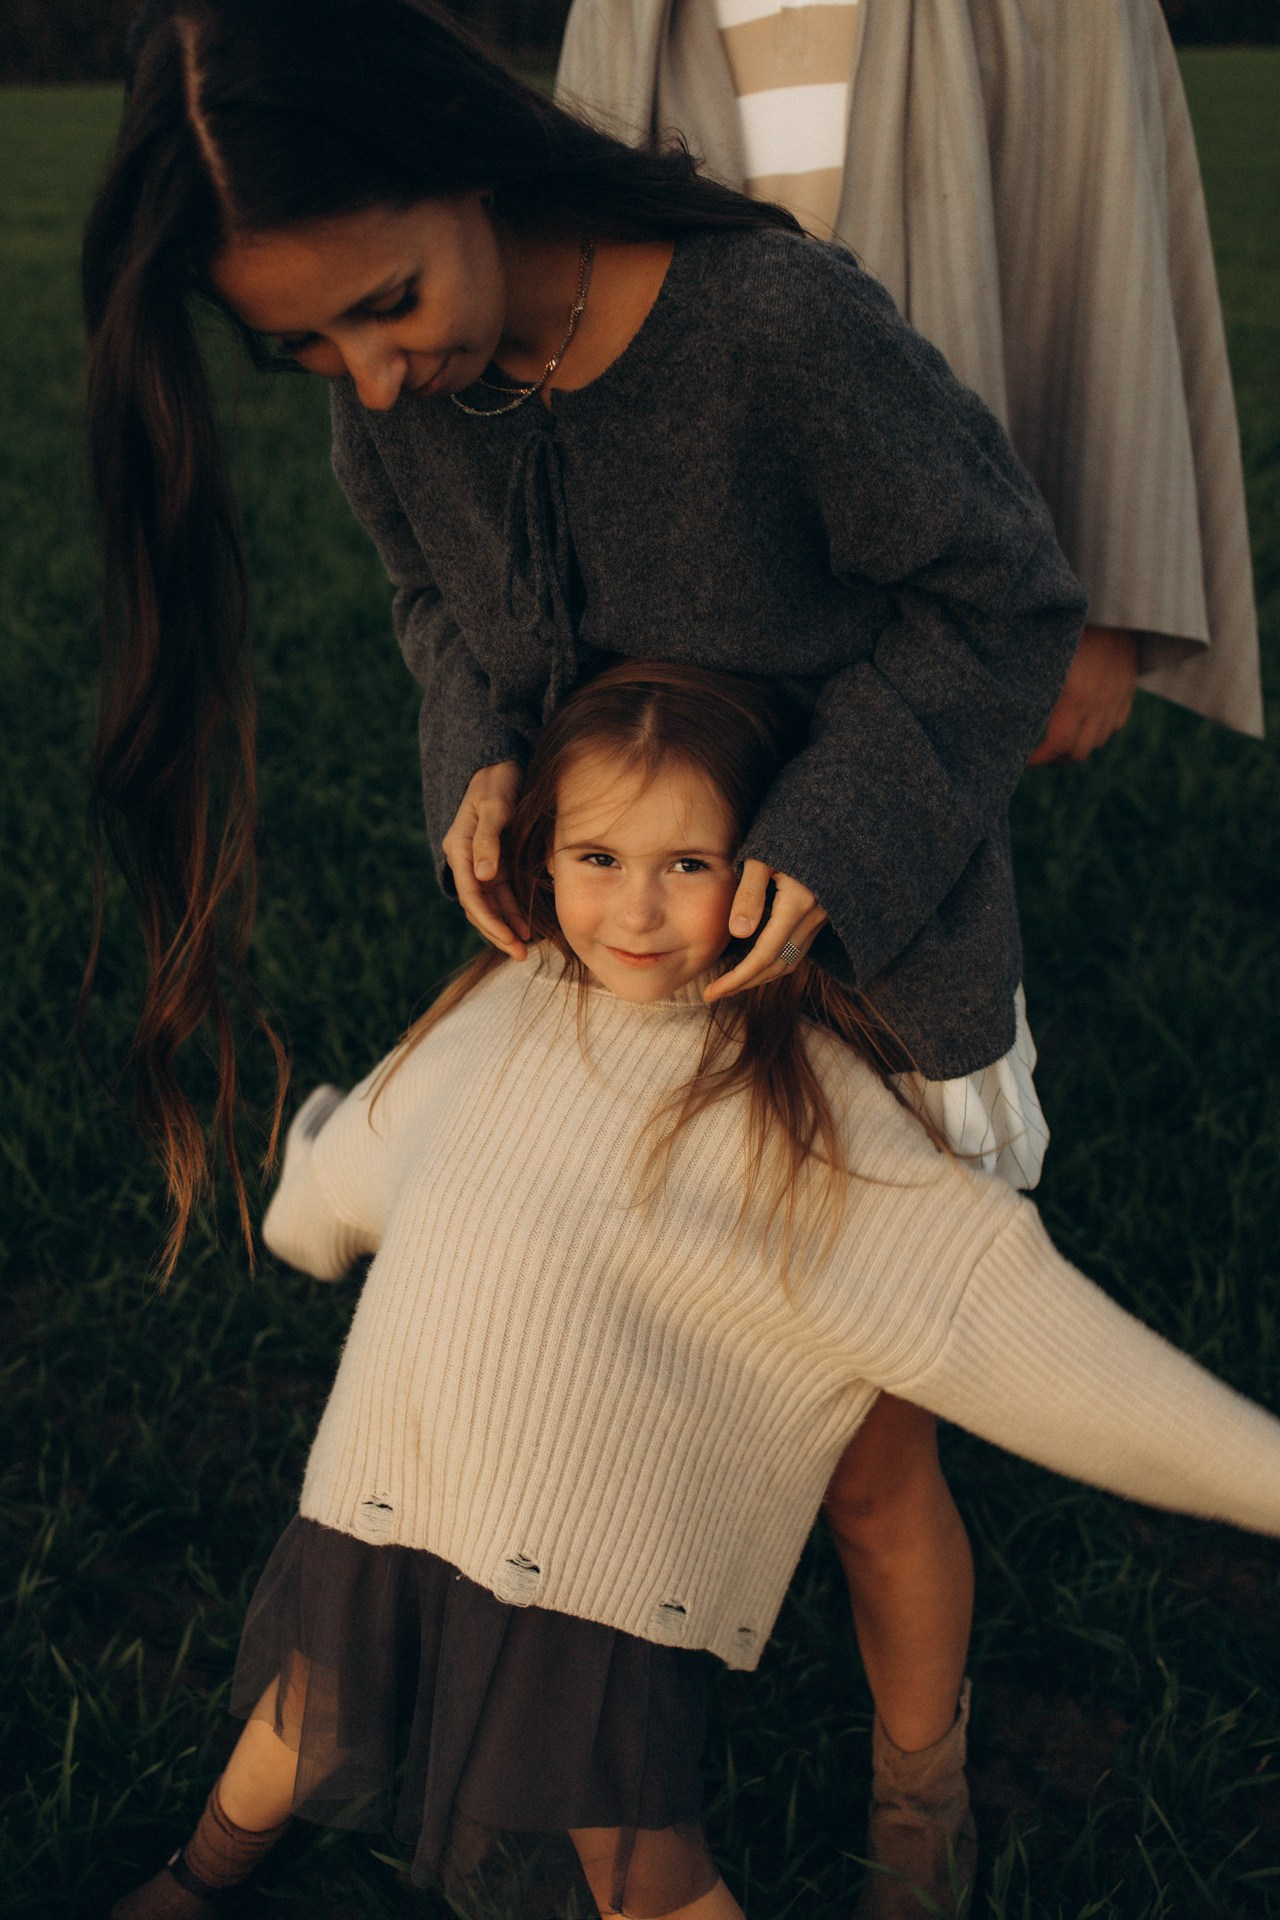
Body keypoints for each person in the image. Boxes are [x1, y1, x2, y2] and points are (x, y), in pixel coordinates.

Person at [82, 2, 1087, 1912]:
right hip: (603, 1015)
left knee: (870, 1474)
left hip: (854, 1007)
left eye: (384, 305)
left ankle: (920, 1810)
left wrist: (833, 832)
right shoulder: (394, 410)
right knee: (587, 1414)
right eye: (305, 347)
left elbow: (1001, 594)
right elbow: (430, 601)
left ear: (460, 155)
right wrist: (476, 759)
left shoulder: (771, 333)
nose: (370, 384)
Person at [109, 662, 1280, 1920]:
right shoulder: (494, 1012)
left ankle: (914, 1802)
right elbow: (369, 1156)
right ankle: (198, 1876)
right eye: (598, 855)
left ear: (764, 873)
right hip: (388, 1499)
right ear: (537, 858)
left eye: (689, 863)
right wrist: (307, 1214)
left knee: (638, 1872)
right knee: (305, 1709)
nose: (636, 908)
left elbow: (1004, 1319)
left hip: (584, 1585)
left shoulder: (801, 1116)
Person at [555, 0, 1264, 763]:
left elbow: (1109, 222)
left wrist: (1103, 603)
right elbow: (572, 237)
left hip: (951, 517)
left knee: (924, 814)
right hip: (706, 503)